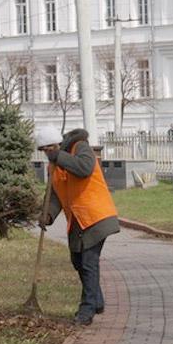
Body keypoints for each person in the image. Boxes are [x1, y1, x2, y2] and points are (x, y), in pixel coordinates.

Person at [36, 126, 120, 326]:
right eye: (43, 151)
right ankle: (97, 301)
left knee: (89, 262)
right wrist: (47, 215)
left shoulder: (80, 147)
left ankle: (86, 310)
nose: (47, 154)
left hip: (95, 216)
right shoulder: (53, 166)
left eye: (49, 150)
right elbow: (55, 194)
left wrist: (59, 157)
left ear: (56, 145)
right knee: (77, 260)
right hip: (77, 219)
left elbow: (84, 169)